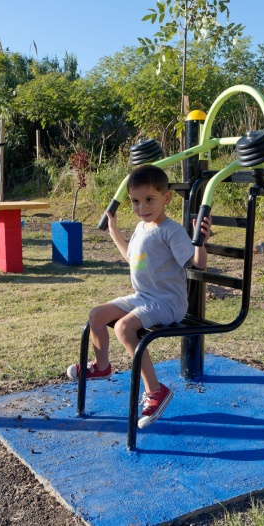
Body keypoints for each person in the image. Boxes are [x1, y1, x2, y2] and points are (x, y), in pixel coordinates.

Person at [66, 164, 212, 429]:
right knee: (96, 316)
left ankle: (156, 390)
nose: (142, 208)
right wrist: (114, 231)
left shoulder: (171, 231)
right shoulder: (141, 229)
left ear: (166, 198)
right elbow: (132, 258)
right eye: (135, 201)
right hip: (143, 297)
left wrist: (201, 241)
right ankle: (102, 366)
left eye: (149, 200)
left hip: (168, 302)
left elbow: (197, 264)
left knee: (123, 328)